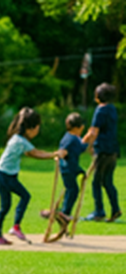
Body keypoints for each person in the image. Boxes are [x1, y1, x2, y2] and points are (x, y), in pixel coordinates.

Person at [0, 107, 63, 245]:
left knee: (5, 207)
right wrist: (53, 155)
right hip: (5, 176)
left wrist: (52, 154)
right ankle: (15, 227)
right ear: (31, 129)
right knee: (25, 196)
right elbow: (35, 153)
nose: (38, 131)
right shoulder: (20, 141)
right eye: (38, 128)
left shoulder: (17, 138)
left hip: (2, 175)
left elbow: (33, 151)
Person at [82, 82, 121, 223]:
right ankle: (115, 209)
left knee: (96, 182)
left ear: (99, 96)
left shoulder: (100, 110)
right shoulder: (112, 109)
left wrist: (83, 143)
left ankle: (99, 212)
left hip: (103, 150)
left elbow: (94, 131)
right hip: (113, 150)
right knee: (107, 181)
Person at [42, 112, 87, 226]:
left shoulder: (70, 137)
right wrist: (60, 154)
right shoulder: (71, 139)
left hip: (70, 167)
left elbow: (79, 149)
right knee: (72, 190)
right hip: (68, 169)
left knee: (71, 189)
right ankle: (64, 212)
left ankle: (63, 212)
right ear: (78, 127)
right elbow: (66, 150)